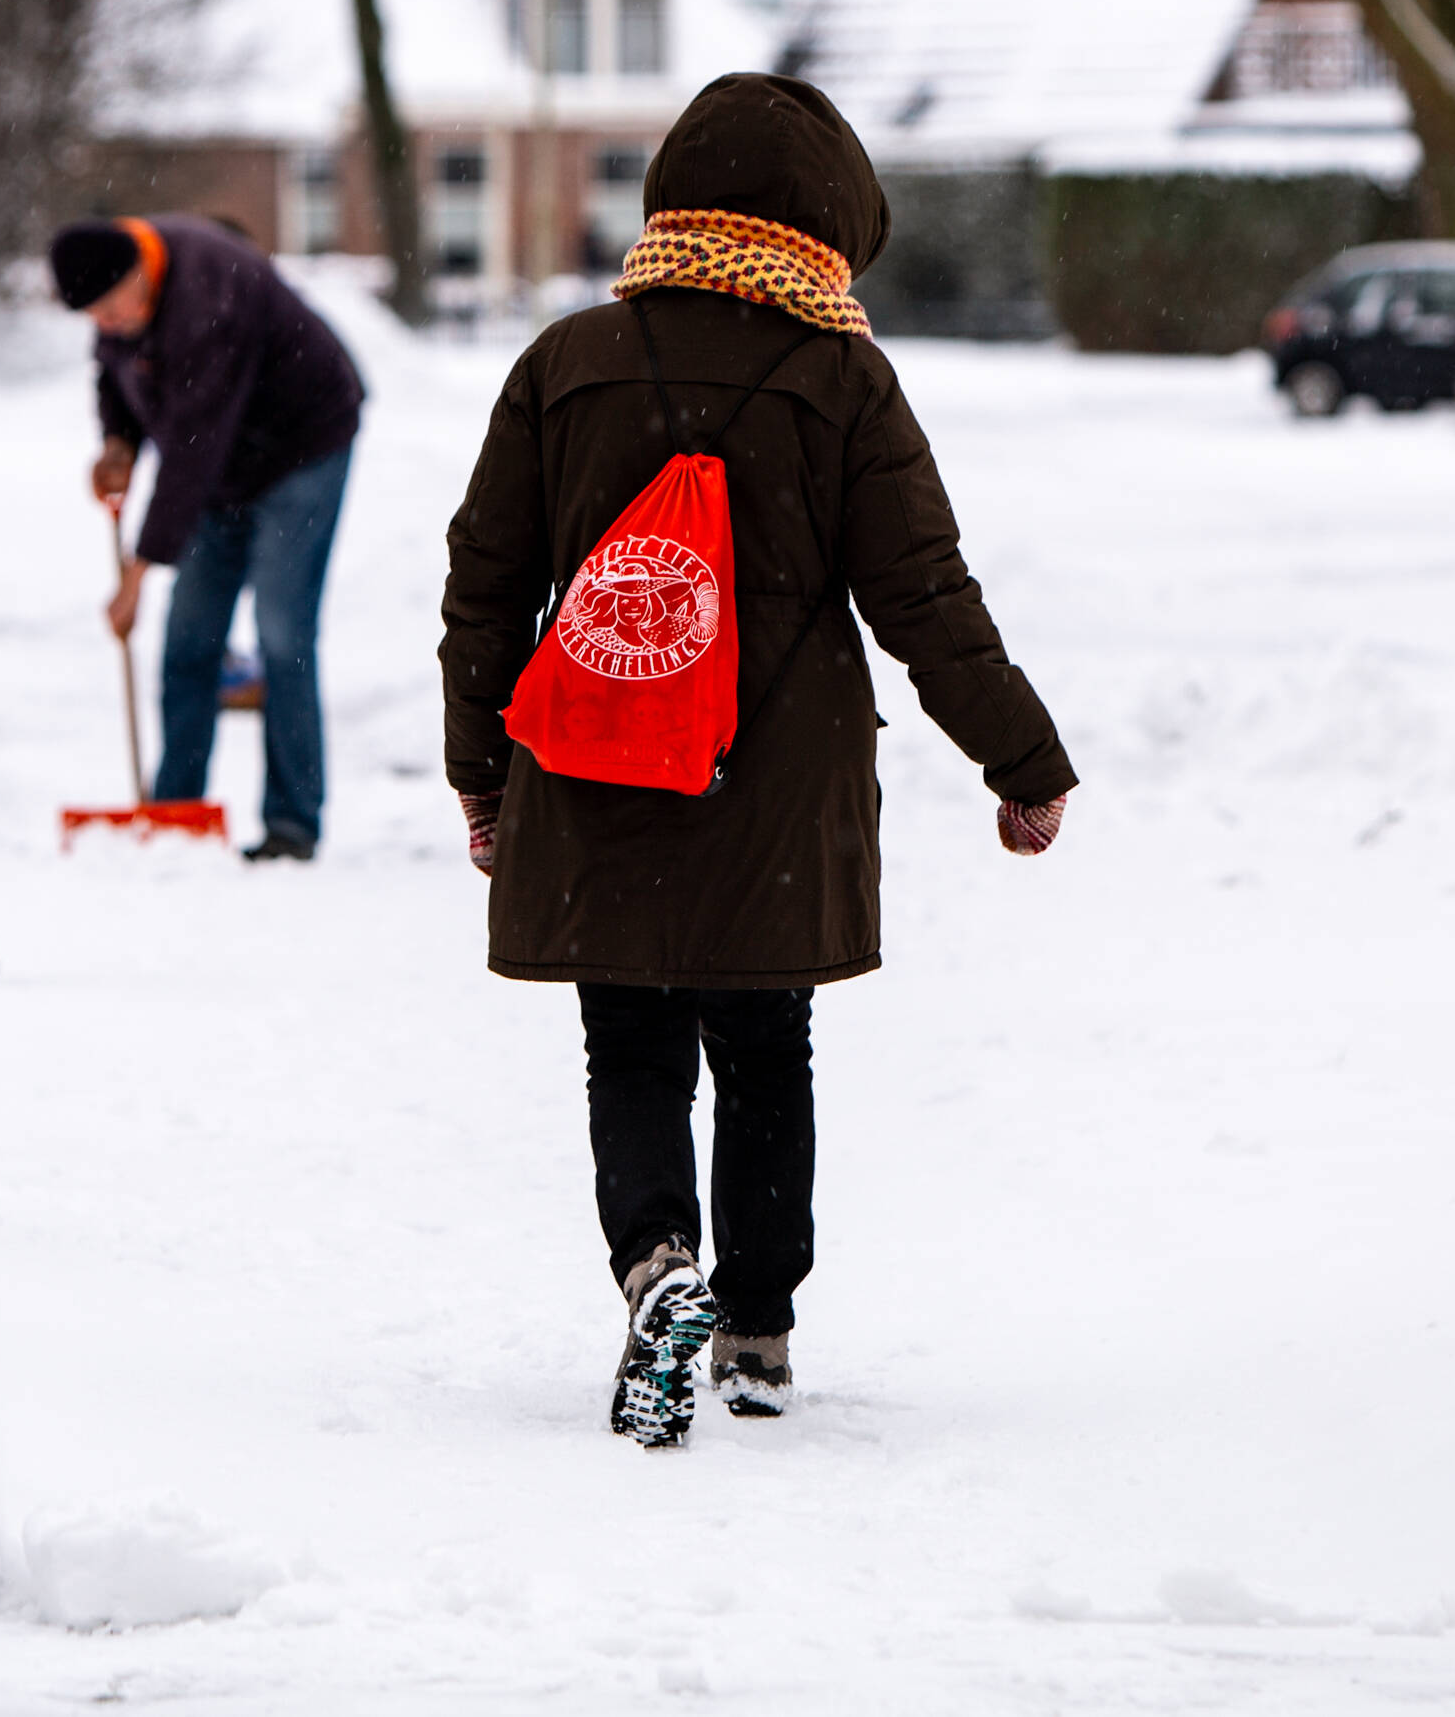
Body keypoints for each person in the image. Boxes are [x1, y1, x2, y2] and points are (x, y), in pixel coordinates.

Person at [435, 73, 1072, 1445]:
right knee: (767, 1045)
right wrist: (1021, 758)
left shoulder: (566, 360)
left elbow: (482, 580)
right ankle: (759, 1326)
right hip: (773, 785)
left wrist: (480, 768)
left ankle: (656, 1259)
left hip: (598, 758)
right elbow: (926, 597)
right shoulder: (845, 380)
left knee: (632, 1044)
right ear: (830, 225)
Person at [53, 213, 367, 862]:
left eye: (113, 310)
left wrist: (137, 575)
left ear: (140, 274)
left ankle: (292, 824)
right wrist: (117, 444)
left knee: (283, 633)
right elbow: (116, 376)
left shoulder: (209, 293)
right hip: (223, 465)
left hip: (302, 449)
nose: (108, 326)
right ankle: (175, 813)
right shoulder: (118, 294)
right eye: (97, 319)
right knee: (190, 639)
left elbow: (193, 445)